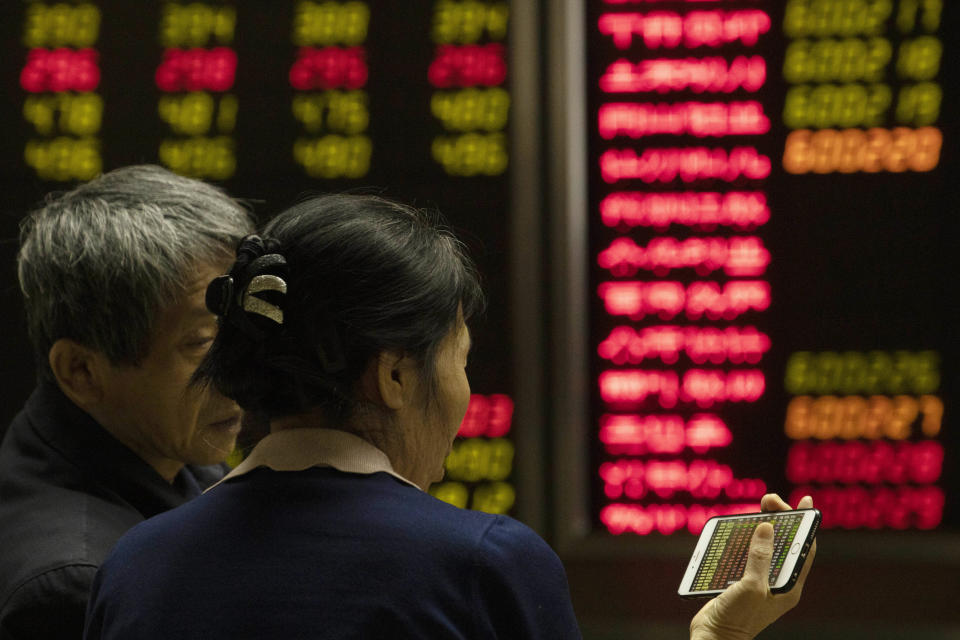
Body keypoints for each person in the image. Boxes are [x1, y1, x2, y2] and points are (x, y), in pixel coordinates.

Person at [83, 194, 816, 640]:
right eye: (458, 360)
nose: (463, 393)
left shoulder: (136, 564)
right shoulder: (481, 563)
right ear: (395, 374)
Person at [0, 165, 255, 639]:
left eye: (241, 328)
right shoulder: (73, 587)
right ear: (81, 371)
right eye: (201, 342)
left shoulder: (167, 451)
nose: (242, 368)